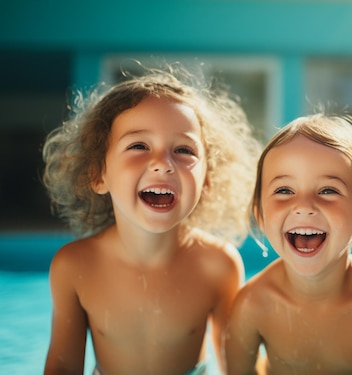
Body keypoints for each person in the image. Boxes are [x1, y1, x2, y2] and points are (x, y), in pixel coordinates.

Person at [42, 63, 260, 375]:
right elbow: (63, 367)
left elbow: (238, 367)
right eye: (139, 145)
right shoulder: (75, 266)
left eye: (184, 150)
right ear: (98, 173)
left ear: (207, 179)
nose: (162, 163)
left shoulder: (217, 265)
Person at [224, 114, 352, 374]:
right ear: (260, 214)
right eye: (284, 190)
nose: (304, 206)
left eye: (328, 190)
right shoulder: (253, 306)